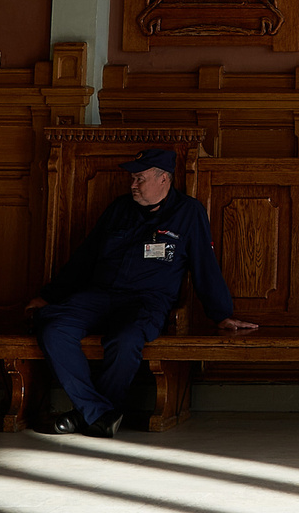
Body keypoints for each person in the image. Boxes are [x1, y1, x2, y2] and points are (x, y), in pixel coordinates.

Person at [23, 149, 253, 436]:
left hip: (147, 301)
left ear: (164, 179)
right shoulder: (119, 208)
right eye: (133, 178)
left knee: (127, 338)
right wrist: (50, 295)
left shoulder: (188, 212)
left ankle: (89, 414)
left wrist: (220, 314)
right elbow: (85, 258)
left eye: (140, 178)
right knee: (53, 328)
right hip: (99, 295)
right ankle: (99, 413)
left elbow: (204, 265)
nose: (133, 184)